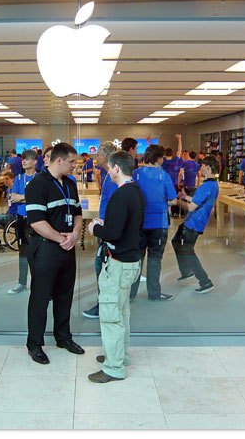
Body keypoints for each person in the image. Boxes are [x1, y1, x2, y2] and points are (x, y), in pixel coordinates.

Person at [87, 150, 145, 383]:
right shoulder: (136, 192)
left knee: (111, 315)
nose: (108, 172)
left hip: (119, 264)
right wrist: (107, 223)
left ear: (117, 169)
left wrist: (95, 229)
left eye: (109, 168)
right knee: (122, 312)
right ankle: (120, 356)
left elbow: (114, 233)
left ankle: (114, 367)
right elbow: (125, 225)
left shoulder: (121, 196)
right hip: (131, 261)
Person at [25, 142, 84, 365]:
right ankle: (34, 344)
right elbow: (37, 223)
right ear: (58, 160)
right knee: (40, 298)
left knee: (64, 295)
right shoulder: (37, 185)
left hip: (66, 247)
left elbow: (77, 213)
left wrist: (75, 235)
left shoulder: (70, 183)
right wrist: (62, 239)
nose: (74, 166)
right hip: (46, 248)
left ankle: (63, 337)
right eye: (71, 162)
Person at [130, 144, 178, 301]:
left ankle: (130, 293)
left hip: (138, 223)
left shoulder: (134, 174)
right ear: (159, 158)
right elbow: (173, 201)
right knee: (155, 258)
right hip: (158, 223)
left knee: (136, 259)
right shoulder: (164, 176)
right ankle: (154, 293)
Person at [172, 156, 220, 294]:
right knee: (176, 241)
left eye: (203, 165)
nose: (200, 168)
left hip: (194, 222)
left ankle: (205, 281)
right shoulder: (212, 184)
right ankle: (186, 271)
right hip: (193, 221)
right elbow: (198, 201)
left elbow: (192, 207)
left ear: (208, 167)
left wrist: (176, 202)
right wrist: (185, 197)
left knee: (187, 249)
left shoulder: (205, 186)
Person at [82, 141, 118, 319]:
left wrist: (103, 224)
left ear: (104, 157)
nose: (95, 158)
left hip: (107, 228)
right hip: (105, 224)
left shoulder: (112, 178)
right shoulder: (108, 175)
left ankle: (104, 305)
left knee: (102, 267)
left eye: (97, 155)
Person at [8, 149, 38, 294]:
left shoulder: (39, 179)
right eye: (23, 159)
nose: (24, 161)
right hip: (21, 219)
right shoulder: (19, 178)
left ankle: (37, 283)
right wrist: (28, 197)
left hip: (35, 220)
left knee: (35, 253)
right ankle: (22, 282)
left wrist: (22, 197)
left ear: (35, 162)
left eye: (27, 159)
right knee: (22, 251)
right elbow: (13, 197)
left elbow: (39, 198)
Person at [162, 134, 183, 217]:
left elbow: (156, 153)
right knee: (174, 199)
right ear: (172, 154)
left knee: (164, 200)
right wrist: (179, 139)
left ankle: (165, 214)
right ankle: (175, 213)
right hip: (174, 182)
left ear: (164, 154)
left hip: (164, 183)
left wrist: (149, 142)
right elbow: (179, 150)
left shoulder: (162, 161)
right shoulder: (176, 161)